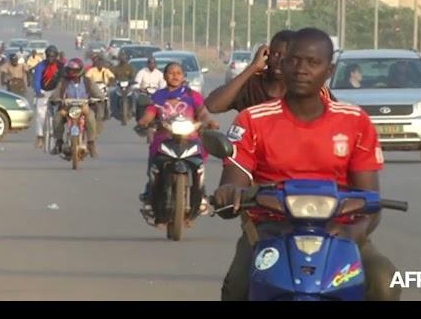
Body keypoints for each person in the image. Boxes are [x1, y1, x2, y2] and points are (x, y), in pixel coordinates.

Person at [212, 28, 399, 301]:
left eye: (313, 63)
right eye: (295, 60)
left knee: (384, 280)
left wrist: (352, 232)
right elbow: (233, 181)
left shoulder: (355, 122)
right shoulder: (252, 120)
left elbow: (371, 201)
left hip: (339, 232)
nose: (302, 69)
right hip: (270, 231)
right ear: (283, 64)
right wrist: (228, 194)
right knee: (237, 287)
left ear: (329, 70)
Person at [137, 62, 219, 226]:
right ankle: (150, 192)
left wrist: (209, 122)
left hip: (190, 137)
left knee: (199, 162)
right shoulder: (158, 96)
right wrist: (145, 120)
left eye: (178, 73)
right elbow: (150, 112)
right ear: (165, 76)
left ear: (183, 77)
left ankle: (201, 194)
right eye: (171, 73)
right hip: (164, 137)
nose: (175, 76)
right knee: (154, 161)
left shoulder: (192, 95)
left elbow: (202, 113)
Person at [205, 30, 335, 114]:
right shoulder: (252, 85)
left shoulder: (310, 90)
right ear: (266, 55)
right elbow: (213, 106)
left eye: (286, 57)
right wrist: (252, 68)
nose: (279, 61)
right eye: (275, 54)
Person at [49, 58, 98, 158]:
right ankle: (58, 142)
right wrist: (56, 99)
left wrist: (98, 98)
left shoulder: (87, 81)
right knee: (57, 117)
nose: (72, 72)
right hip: (67, 107)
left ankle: (91, 143)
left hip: (83, 107)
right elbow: (55, 94)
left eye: (74, 70)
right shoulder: (63, 82)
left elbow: (97, 93)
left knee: (91, 117)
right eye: (70, 70)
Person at [32, 45, 65, 149]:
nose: (50, 58)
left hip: (56, 92)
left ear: (56, 56)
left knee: (60, 114)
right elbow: (36, 80)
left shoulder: (61, 66)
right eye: (48, 56)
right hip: (43, 91)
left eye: (53, 56)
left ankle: (59, 137)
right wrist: (38, 92)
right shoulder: (40, 66)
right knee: (40, 114)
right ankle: (40, 136)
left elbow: (63, 80)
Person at [109, 53, 136, 119]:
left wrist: (132, 81)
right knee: (112, 94)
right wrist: (112, 82)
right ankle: (113, 110)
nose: (123, 60)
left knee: (134, 95)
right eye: (121, 59)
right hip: (118, 86)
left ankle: (133, 110)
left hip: (128, 86)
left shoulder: (130, 68)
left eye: (124, 59)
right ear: (119, 60)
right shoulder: (115, 68)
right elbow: (112, 76)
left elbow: (133, 77)